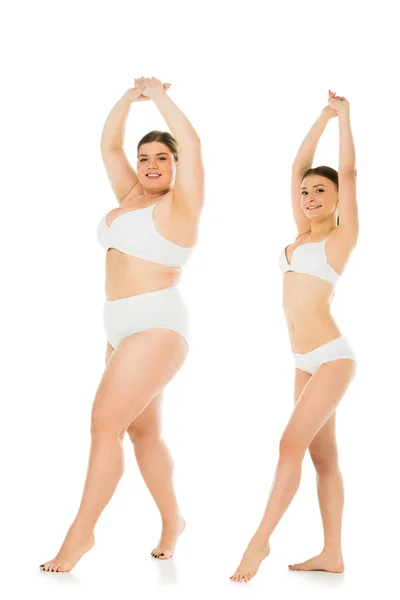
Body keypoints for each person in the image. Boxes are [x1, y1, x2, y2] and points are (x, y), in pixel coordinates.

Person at [40, 76, 204, 572]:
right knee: (142, 434)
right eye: (146, 158)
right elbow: (109, 144)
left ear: (176, 166)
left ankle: (80, 534)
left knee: (103, 425)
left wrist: (159, 98)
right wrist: (129, 98)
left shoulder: (181, 205)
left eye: (162, 158)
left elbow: (193, 143)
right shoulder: (131, 196)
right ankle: (173, 520)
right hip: (118, 329)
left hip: (157, 323)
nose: (152, 165)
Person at [231, 90, 358, 583]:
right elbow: (296, 167)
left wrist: (343, 119)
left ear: (337, 200)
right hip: (303, 360)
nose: (309, 197)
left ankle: (258, 542)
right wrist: (319, 117)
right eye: (306, 193)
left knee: (289, 444)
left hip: (331, 358)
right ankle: (332, 553)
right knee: (323, 458)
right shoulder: (300, 234)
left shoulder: (339, 236)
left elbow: (346, 174)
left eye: (319, 192)